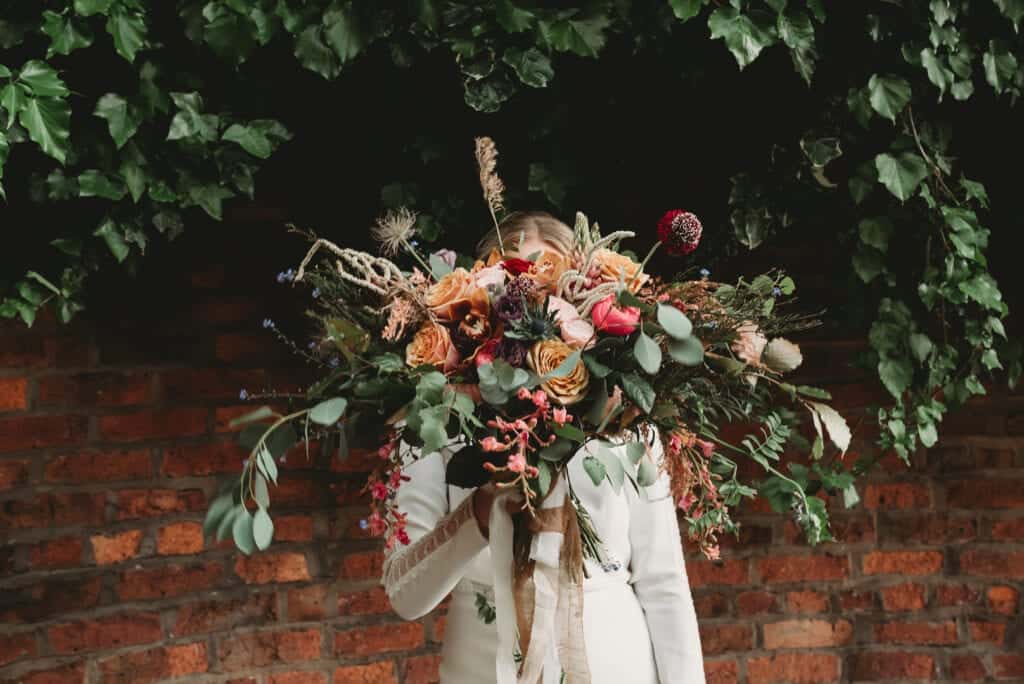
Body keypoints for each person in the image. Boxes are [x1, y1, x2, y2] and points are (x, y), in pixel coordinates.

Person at [380, 211, 706, 683]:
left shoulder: (629, 424)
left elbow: (664, 584)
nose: (529, 313)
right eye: (513, 291)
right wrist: (482, 506)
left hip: (617, 664)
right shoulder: (435, 424)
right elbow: (406, 596)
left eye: (548, 292)